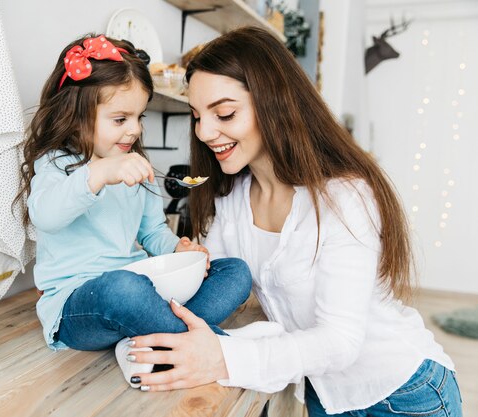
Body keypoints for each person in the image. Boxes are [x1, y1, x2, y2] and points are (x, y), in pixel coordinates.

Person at [128, 26, 463, 416]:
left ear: (275, 102)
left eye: (224, 113)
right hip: (323, 393)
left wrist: (225, 357)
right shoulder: (234, 197)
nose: (203, 132)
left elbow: (339, 341)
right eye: (196, 116)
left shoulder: (344, 197)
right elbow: (213, 278)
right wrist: (189, 264)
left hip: (402, 393)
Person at [16, 34, 252, 389]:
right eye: (120, 118)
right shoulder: (56, 165)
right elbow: (45, 216)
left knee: (234, 271)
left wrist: (178, 250)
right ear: (77, 115)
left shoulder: (137, 166)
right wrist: (97, 174)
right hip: (79, 306)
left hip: (141, 293)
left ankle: (154, 339)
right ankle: (213, 345)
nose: (135, 129)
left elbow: (152, 232)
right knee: (121, 288)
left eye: (139, 116)